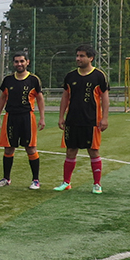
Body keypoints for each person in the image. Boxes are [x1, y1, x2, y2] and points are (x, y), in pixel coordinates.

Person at [54, 44, 110, 194]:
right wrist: (61, 117)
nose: (78, 58)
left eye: (82, 56)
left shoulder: (99, 76)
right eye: (77, 55)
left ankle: (97, 184)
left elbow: (105, 98)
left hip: (91, 120)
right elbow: (65, 96)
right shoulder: (70, 76)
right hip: (72, 120)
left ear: (90, 58)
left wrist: (104, 118)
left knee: (93, 151)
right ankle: (66, 182)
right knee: (70, 150)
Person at [0, 53, 46, 190]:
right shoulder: (8, 80)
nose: (19, 64)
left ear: (27, 62)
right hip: (10, 117)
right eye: (16, 61)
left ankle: (35, 180)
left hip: (27, 117)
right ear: (13, 63)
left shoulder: (33, 80)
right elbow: (3, 98)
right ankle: (6, 178)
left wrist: (42, 117)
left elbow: (40, 99)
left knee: (30, 147)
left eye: (22, 61)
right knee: (9, 147)